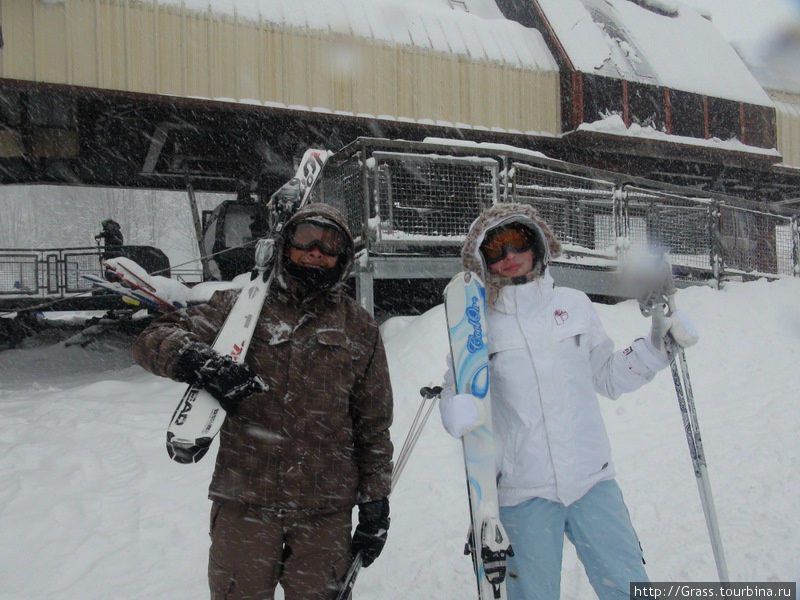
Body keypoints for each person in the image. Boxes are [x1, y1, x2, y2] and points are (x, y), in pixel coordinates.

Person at [131, 203, 393, 600]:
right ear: (286, 244)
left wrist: (375, 500)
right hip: (246, 501)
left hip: (324, 509)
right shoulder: (239, 308)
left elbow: (373, 423)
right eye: (306, 238)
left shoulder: (358, 326)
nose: (316, 250)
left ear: (343, 257)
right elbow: (152, 339)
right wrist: (195, 360)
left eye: (331, 243)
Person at [438, 202, 698, 600]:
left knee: (628, 587)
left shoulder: (574, 306)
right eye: (496, 249)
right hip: (523, 492)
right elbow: (457, 389)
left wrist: (653, 349)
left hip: (592, 479)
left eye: (518, 243)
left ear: (538, 245)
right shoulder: (475, 324)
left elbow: (607, 377)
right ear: (481, 259)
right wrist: (454, 409)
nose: (509, 256)